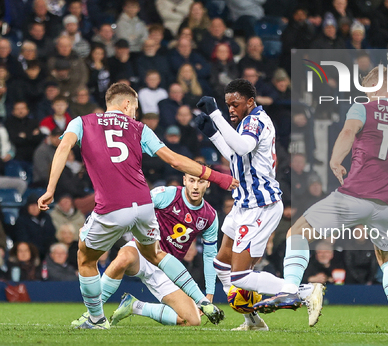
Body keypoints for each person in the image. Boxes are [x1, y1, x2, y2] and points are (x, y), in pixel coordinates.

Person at [37, 83, 238, 329]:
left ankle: (96, 319)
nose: (135, 113)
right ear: (126, 104)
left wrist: (50, 189)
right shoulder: (140, 128)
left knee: (85, 258)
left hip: (112, 206)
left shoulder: (81, 122)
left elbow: (64, 147)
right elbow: (175, 160)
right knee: (155, 252)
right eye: (135, 108)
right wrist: (220, 178)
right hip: (144, 203)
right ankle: (200, 300)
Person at [252, 66, 388, 331]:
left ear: (373, 88)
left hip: (355, 195)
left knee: (298, 231)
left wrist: (334, 159)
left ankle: (290, 289)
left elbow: (348, 132)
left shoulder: (363, 108)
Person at [194, 79, 320, 331]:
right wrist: (214, 134)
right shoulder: (244, 122)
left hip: (260, 206)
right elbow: (234, 156)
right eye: (227, 104)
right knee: (221, 265)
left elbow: (241, 147)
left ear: (250, 102)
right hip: (243, 203)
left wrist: (216, 115)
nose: (230, 109)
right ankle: (253, 321)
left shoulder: (255, 121)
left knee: (240, 275)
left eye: (235, 104)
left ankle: (303, 291)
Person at [72, 172, 220, 327]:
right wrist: (96, 227)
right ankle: (92, 314)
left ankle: (135, 306)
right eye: (192, 180)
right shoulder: (167, 194)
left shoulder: (209, 216)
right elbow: (132, 208)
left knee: (192, 321)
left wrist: (209, 294)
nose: (196, 186)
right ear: (184, 180)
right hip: (143, 251)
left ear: (208, 184)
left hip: (168, 268)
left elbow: (210, 256)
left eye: (201, 182)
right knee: (123, 259)